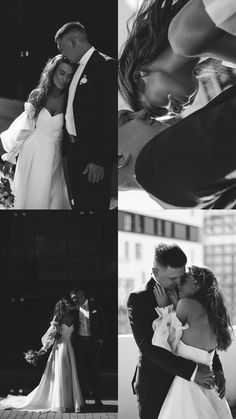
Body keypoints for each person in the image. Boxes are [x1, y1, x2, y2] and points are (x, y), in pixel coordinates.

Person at [127, 243, 225, 419]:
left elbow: (203, 334)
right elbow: (148, 348)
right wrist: (194, 373)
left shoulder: (187, 292)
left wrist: (217, 369)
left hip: (193, 387)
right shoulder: (138, 298)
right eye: (173, 278)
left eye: (182, 276)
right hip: (155, 385)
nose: (179, 283)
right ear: (156, 272)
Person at [118, 83, 236, 208]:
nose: (143, 112)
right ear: (119, 158)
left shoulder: (171, 199)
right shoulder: (160, 165)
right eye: (126, 119)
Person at [119, 0, 236, 116]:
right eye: (171, 115)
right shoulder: (196, 47)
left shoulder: (182, 39)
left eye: (158, 109)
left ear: (140, 75)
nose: (176, 111)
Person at [152, 265, 233, 419]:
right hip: (211, 387)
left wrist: (164, 308)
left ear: (197, 283)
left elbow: (166, 341)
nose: (179, 284)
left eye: (185, 280)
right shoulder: (215, 311)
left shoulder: (186, 304)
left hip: (187, 387)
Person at [55, 22, 117, 210]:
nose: (62, 54)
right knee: (80, 206)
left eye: (62, 47)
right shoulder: (75, 69)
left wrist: (99, 160)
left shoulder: (105, 65)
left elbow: (110, 116)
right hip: (75, 153)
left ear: (73, 41)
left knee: (95, 208)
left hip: (93, 158)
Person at [0, 54, 74, 209]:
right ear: (53, 72)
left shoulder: (70, 100)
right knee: (30, 198)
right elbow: (24, 127)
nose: (65, 79)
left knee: (52, 199)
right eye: (62, 73)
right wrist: (10, 157)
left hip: (55, 156)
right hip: (32, 152)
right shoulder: (38, 95)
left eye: (69, 76)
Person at [0, 298, 84, 413]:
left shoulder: (72, 317)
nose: (69, 306)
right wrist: (41, 351)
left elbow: (73, 333)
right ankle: (59, 402)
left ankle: (68, 402)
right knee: (61, 374)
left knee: (68, 376)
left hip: (70, 349)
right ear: (62, 308)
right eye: (67, 305)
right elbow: (49, 337)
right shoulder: (57, 320)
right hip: (60, 350)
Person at [69, 289, 107, 407]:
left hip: (93, 343)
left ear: (82, 296)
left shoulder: (95, 306)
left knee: (95, 371)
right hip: (79, 344)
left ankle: (98, 399)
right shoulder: (73, 309)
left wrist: (102, 338)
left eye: (75, 298)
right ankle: (82, 399)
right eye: (73, 298)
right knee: (81, 372)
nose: (74, 300)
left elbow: (104, 322)